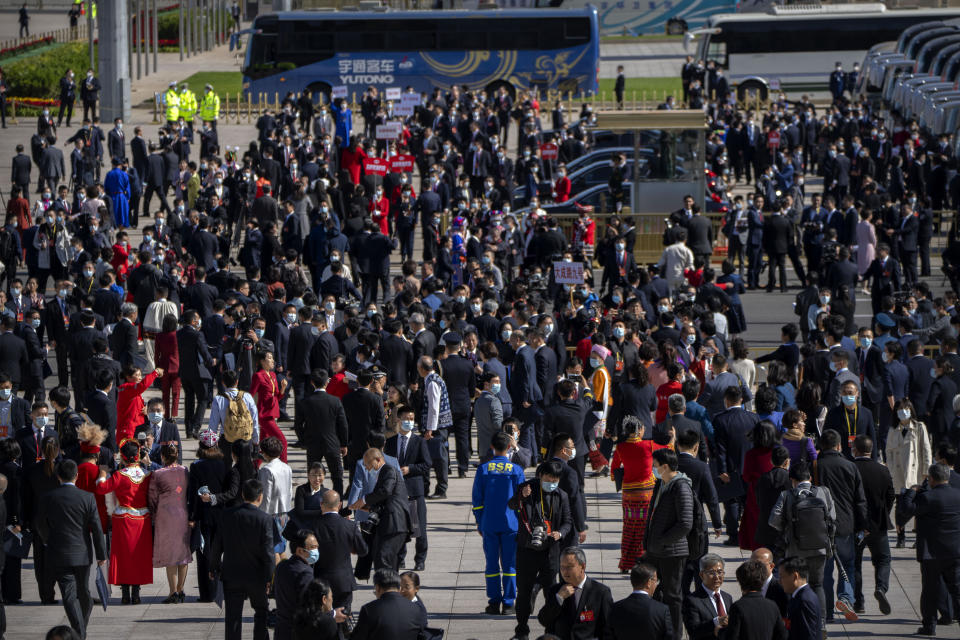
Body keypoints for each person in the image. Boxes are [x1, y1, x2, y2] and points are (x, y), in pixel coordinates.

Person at [35, 460, 106, 639]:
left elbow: (40, 524)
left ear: (58, 476)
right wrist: (101, 554)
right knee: (83, 593)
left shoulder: (48, 497)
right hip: (82, 552)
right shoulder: (87, 497)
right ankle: (80, 633)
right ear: (76, 475)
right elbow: (96, 527)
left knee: (71, 594)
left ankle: (78, 632)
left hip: (58, 551)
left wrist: (47, 540)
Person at [768, 461, 835, 631]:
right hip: (820, 548)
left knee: (795, 587)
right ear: (810, 477)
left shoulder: (786, 495)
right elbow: (832, 517)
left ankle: (797, 624)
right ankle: (821, 624)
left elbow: (773, 520)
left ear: (792, 479)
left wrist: (788, 527)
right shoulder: (823, 492)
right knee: (818, 585)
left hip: (796, 550)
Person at [510, 460, 573, 640]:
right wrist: (521, 496)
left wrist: (560, 533)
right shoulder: (527, 488)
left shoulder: (561, 496)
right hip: (527, 550)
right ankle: (521, 630)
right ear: (540, 476)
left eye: (555, 479)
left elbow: (568, 521)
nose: (551, 482)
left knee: (551, 592)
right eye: (548, 478)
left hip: (550, 551)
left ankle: (551, 630)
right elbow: (511, 505)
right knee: (523, 592)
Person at [897, 463, 960, 636]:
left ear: (931, 479)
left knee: (930, 592)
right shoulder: (957, 495)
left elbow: (905, 511)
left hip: (931, 552)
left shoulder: (928, 498)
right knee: (956, 588)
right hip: (955, 550)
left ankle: (929, 625)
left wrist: (911, 491)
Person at [210, 478, 275, 640]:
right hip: (257, 576)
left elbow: (217, 545)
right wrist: (269, 577)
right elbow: (268, 552)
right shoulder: (264, 519)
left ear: (242, 494)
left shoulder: (227, 515)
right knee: (261, 611)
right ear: (260, 497)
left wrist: (213, 567)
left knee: (232, 616)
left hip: (232, 574)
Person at [609, 416, 673, 572]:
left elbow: (614, 470)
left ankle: (625, 562)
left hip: (629, 494)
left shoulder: (620, 447)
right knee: (645, 528)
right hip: (646, 493)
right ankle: (641, 560)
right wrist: (673, 437)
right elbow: (668, 449)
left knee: (629, 527)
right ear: (639, 430)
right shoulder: (648, 445)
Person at [472, 431, 525, 615]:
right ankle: (509, 603)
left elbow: (477, 500)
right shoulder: (517, 471)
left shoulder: (483, 469)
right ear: (509, 447)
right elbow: (522, 502)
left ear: (492, 447)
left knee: (492, 564)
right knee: (510, 564)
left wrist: (480, 522)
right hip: (511, 525)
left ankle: (494, 602)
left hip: (489, 524)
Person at [815, 428, 867, 622]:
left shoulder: (815, 466)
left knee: (825, 571)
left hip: (821, 526)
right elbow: (860, 500)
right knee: (847, 565)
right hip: (846, 524)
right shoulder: (850, 466)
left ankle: (827, 610)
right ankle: (845, 598)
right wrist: (862, 525)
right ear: (839, 446)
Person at [643, 448, 694, 640]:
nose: (653, 469)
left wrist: (663, 540)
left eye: (655, 466)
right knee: (655, 592)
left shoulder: (680, 487)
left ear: (665, 466)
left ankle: (675, 634)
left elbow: (685, 523)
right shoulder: (661, 483)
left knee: (673, 595)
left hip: (672, 551)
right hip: (656, 549)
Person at [94, 440, 153, 604]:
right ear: (138, 455)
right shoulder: (147, 475)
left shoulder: (120, 475)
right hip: (143, 520)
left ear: (123, 457)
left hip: (123, 519)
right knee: (139, 557)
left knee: (123, 557)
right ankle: (136, 593)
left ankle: (125, 593)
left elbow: (101, 488)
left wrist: (103, 474)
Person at [384, 404, 432, 571]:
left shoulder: (419, 441)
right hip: (396, 492)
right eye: (406, 419)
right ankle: (400, 557)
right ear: (399, 419)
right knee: (399, 527)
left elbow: (426, 464)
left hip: (414, 490)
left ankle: (420, 559)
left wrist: (410, 469)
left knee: (419, 528)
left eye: (411, 419)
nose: (409, 422)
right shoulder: (390, 442)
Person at [850, 435, 894, 615]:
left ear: (855, 450)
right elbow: (891, 496)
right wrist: (883, 513)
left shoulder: (851, 469)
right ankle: (881, 587)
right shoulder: (882, 470)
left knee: (855, 564)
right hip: (879, 525)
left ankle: (858, 602)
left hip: (856, 526)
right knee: (883, 560)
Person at [353, 448, 412, 571]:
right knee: (386, 558)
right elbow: (383, 501)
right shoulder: (382, 474)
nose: (367, 468)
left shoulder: (388, 470)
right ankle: (390, 586)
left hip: (394, 522)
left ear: (378, 460)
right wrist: (366, 508)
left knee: (383, 557)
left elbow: (385, 491)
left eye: (368, 464)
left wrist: (363, 500)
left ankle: (386, 586)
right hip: (389, 523)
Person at [537, 547, 613, 640]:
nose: (564, 571)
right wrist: (559, 599)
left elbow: (608, 628)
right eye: (562, 567)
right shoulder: (555, 590)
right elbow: (544, 620)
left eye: (569, 567)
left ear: (582, 567)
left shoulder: (600, 592)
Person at [187, 430, 228, 603]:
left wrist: (192, 517)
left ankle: (207, 593)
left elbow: (193, 495)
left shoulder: (196, 466)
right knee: (219, 553)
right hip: (221, 515)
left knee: (205, 555)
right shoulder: (224, 464)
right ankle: (220, 590)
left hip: (203, 516)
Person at [147, 443, 191, 604]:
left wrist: (153, 513)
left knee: (170, 555)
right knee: (183, 553)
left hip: (165, 515)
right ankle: (181, 588)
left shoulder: (158, 474)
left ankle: (173, 591)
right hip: (182, 513)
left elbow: (152, 498)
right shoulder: (185, 471)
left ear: (163, 457)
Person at [886, 397, 933, 547]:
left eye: (905, 409)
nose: (903, 413)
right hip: (898, 473)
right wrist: (891, 468)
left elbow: (926, 450)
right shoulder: (893, 430)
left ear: (911, 410)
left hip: (916, 472)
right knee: (899, 505)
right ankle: (901, 536)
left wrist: (926, 470)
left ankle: (919, 536)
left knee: (916, 505)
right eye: (899, 410)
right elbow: (889, 451)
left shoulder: (919, 427)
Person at [295, 368, 348, 495]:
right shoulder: (335, 401)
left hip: (313, 443)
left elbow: (298, 425)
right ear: (327, 383)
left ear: (312, 383)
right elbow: (343, 425)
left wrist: (304, 441)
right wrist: (344, 443)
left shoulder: (305, 401)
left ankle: (314, 503)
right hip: (332, 443)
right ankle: (338, 505)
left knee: (314, 477)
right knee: (337, 477)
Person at [313, 489, 368, 612]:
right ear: (340, 505)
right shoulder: (350, 526)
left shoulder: (314, 526)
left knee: (322, 619)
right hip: (344, 582)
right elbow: (363, 550)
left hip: (320, 581)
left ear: (321, 504)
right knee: (342, 619)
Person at [351, 568, 425, 640]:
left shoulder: (369, 609)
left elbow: (358, 637)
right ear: (398, 587)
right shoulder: (416, 608)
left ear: (377, 588)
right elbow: (422, 635)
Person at [606, 562, 673, 640]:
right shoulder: (662, 610)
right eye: (655, 580)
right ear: (648, 583)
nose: (656, 585)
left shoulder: (615, 608)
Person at [724, 560, 788, 640]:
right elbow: (783, 635)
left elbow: (732, 636)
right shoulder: (772, 605)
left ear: (739, 581)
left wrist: (719, 632)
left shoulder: (737, 607)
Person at [274, 529, 319, 640]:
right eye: (313, 547)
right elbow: (308, 607)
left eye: (317, 546)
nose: (316, 551)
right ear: (300, 550)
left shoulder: (282, 566)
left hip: (281, 629)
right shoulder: (305, 573)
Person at [682, 553, 735, 640]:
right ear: (702, 575)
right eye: (711, 573)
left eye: (720, 572)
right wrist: (716, 621)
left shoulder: (727, 597)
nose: (717, 577)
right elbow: (693, 631)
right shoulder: (692, 600)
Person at [250, 351, 288, 462]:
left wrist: (283, 388)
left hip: (272, 413)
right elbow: (250, 395)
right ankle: (284, 467)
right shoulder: (258, 376)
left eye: (272, 358)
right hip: (264, 415)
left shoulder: (273, 375)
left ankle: (254, 468)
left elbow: (277, 397)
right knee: (282, 441)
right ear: (262, 361)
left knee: (263, 446)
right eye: (269, 358)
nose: (272, 361)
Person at [257, 436, 292, 561]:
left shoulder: (266, 470)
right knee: (281, 547)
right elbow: (289, 491)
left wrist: (262, 515)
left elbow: (266, 496)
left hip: (271, 514)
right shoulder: (286, 467)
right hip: (284, 512)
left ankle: (277, 577)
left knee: (273, 550)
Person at [780, 556, 822, 640]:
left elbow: (808, 635)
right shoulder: (801, 595)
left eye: (782, 576)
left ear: (795, 576)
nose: (780, 581)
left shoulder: (805, 601)